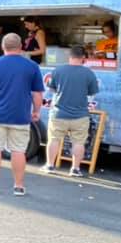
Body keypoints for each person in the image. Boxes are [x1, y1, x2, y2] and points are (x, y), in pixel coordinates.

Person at [0, 33, 45, 196]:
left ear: (3, 47)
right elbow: (37, 94)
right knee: (18, 151)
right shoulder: (32, 66)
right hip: (20, 116)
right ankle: (19, 187)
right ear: (21, 47)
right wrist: (36, 112)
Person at [43, 46, 100, 177]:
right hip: (80, 115)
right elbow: (92, 93)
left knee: (54, 139)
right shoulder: (89, 73)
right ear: (83, 58)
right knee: (79, 142)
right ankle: (75, 169)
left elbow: (51, 90)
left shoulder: (58, 70)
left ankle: (50, 166)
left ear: (70, 57)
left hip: (59, 113)